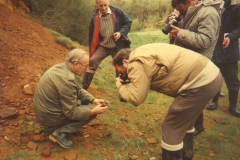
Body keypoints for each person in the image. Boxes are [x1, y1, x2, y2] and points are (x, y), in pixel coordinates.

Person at [113, 43, 222, 160]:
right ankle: (186, 156)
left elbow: (136, 98)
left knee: (171, 126)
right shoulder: (142, 52)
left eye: (122, 71)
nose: (124, 75)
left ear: (125, 62)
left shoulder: (135, 63)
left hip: (200, 82)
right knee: (185, 121)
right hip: (212, 74)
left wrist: (121, 87)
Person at [33, 49, 109, 148]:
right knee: (90, 113)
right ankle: (59, 133)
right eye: (85, 66)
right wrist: (93, 111)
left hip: (44, 110)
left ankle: (61, 125)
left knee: (85, 101)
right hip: (48, 116)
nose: (87, 69)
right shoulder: (67, 80)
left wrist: (94, 100)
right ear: (76, 64)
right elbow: (71, 112)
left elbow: (78, 89)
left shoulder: (62, 68)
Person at [169, 0, 221, 136]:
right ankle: (192, 123)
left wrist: (180, 32)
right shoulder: (192, 10)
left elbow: (204, 40)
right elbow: (188, 29)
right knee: (188, 94)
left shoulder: (209, 13)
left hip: (198, 63)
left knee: (194, 96)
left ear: (189, 1)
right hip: (187, 61)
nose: (178, 12)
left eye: (180, 10)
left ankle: (197, 125)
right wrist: (175, 22)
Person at [81, 0, 132, 90]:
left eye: (105, 5)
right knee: (92, 61)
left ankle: (122, 91)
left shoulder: (117, 11)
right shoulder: (94, 17)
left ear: (108, 3)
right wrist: (92, 48)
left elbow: (128, 22)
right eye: (101, 6)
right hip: (103, 46)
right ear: (96, 5)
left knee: (120, 66)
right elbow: (91, 35)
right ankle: (83, 87)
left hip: (117, 46)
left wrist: (120, 33)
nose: (104, 8)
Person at [206, 0, 240, 117]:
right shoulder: (210, 6)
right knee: (215, 78)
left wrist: (231, 36)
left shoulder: (236, 7)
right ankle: (214, 102)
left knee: (233, 81)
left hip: (229, 51)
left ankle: (233, 106)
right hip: (213, 50)